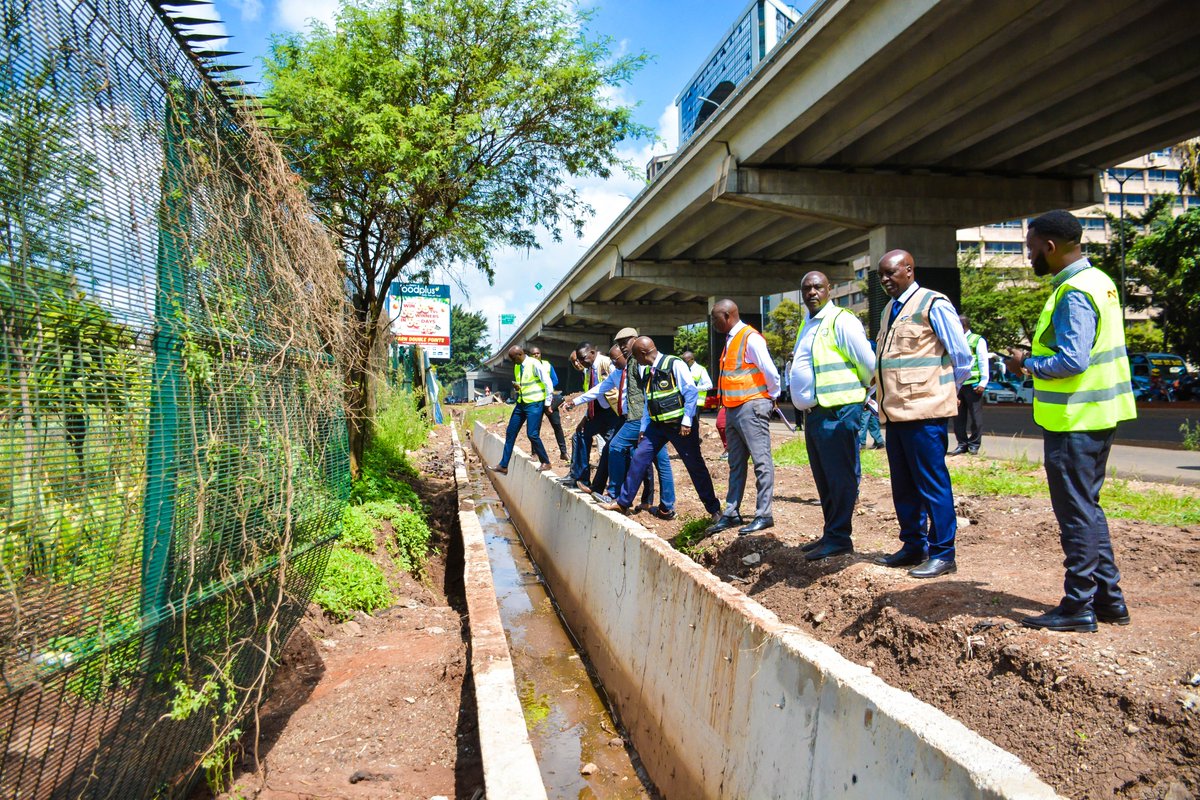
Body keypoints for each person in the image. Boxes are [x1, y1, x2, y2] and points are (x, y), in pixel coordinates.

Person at [1005, 210, 1136, 633]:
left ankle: (1078, 605)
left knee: (1077, 515)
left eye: (1030, 248)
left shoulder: (1074, 292)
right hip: (1096, 416)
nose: (1028, 256)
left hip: (1073, 419)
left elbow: (1072, 360)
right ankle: (1108, 600)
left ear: (1050, 247)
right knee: (1089, 510)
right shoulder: (1100, 282)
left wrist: (1028, 363)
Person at [874, 250, 972, 578]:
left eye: (891, 273)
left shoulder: (934, 304)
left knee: (932, 484)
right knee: (903, 486)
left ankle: (944, 553)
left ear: (909, 270)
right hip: (897, 413)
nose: (886, 280)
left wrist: (944, 391)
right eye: (881, 276)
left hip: (925, 412)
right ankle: (914, 544)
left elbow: (961, 355)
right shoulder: (889, 310)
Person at [788, 271, 876, 561]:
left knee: (840, 477)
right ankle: (831, 532)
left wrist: (856, 395)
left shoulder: (842, 320)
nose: (812, 292)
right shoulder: (809, 323)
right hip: (816, 413)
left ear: (829, 289)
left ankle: (840, 538)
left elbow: (867, 363)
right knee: (824, 478)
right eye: (807, 288)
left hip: (838, 410)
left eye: (817, 287)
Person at [600, 337, 722, 518]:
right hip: (656, 427)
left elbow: (690, 392)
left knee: (695, 466)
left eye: (635, 357)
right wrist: (643, 427)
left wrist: (687, 421)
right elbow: (649, 400)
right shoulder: (648, 370)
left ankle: (714, 510)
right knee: (639, 459)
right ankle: (622, 503)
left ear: (642, 354)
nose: (634, 362)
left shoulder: (674, 364)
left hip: (680, 426)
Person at [707, 299, 781, 535]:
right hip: (732, 409)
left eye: (715, 318)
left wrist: (772, 396)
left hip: (751, 406)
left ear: (728, 315)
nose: (713, 323)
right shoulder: (730, 340)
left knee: (761, 461)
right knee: (735, 463)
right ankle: (731, 513)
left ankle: (764, 514)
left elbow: (770, 371)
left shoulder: (750, 338)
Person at [594, 328, 675, 515]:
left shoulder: (641, 362)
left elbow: (647, 393)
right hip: (649, 418)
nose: (622, 347)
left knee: (615, 447)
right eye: (619, 344)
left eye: (626, 342)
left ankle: (615, 494)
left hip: (641, 418)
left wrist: (644, 423)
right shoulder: (632, 362)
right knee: (657, 461)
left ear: (636, 340)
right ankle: (665, 506)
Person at [560, 342, 620, 491]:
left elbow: (617, 386)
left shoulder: (607, 363)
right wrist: (586, 416)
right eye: (576, 360)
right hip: (599, 412)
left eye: (582, 358)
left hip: (613, 412)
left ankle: (616, 487)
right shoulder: (589, 370)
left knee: (614, 448)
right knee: (580, 435)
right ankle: (580, 478)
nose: (579, 363)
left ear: (592, 352)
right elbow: (593, 393)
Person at [487, 346, 553, 475]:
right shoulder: (517, 366)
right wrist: (518, 387)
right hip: (521, 403)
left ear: (519, 354)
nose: (512, 361)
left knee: (532, 434)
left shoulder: (534, 364)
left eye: (513, 358)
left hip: (535, 403)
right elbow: (524, 383)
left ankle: (546, 462)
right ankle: (503, 465)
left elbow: (548, 383)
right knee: (510, 432)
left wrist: (547, 403)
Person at [949, 314, 989, 455]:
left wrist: (983, 382)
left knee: (975, 416)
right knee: (958, 416)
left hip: (974, 384)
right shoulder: (954, 341)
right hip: (958, 384)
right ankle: (962, 444)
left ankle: (974, 444)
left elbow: (983, 361)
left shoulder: (977, 340)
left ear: (963, 326)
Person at [529, 346, 569, 461]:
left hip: (549, 399)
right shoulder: (528, 367)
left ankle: (564, 452)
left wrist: (546, 384)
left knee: (557, 426)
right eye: (533, 354)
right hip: (536, 401)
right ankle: (534, 453)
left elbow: (555, 380)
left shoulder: (547, 365)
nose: (536, 355)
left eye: (538, 353)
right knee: (535, 428)